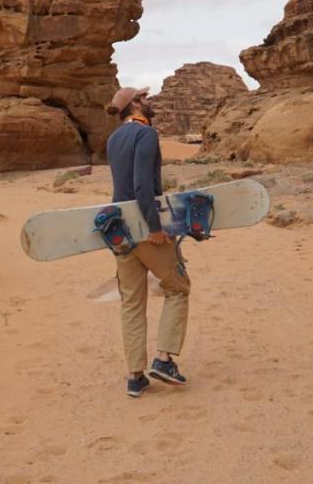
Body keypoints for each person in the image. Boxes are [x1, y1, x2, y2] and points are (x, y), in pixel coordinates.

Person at [104, 86, 190, 398]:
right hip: (144, 227)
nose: (149, 101)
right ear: (135, 105)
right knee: (179, 289)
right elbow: (142, 185)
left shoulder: (113, 138)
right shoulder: (145, 134)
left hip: (119, 229)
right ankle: (164, 360)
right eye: (145, 97)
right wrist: (155, 227)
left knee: (132, 302)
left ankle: (135, 376)